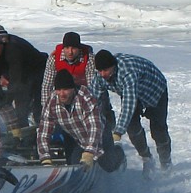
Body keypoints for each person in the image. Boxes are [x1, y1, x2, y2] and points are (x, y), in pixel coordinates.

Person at [91, 50, 171, 178]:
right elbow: (93, 102)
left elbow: (129, 103)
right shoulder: (99, 76)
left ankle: (166, 163)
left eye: (105, 70)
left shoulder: (127, 72)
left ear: (113, 66)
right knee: (132, 128)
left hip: (155, 90)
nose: (102, 74)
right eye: (99, 71)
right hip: (133, 93)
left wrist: (117, 132)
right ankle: (147, 158)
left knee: (158, 130)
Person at [37, 70, 125, 173]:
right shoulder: (51, 101)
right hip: (76, 139)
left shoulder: (85, 97)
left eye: (65, 89)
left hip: (100, 135)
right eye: (58, 90)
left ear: (73, 89)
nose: (62, 94)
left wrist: (89, 153)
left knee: (109, 166)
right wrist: (45, 158)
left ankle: (119, 153)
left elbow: (94, 128)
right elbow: (44, 131)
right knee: (75, 167)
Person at [0, 24, 47, 128]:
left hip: (38, 70)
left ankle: (38, 130)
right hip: (25, 71)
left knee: (29, 103)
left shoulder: (12, 50)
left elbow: (16, 80)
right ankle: (25, 128)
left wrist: (6, 98)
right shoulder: (0, 48)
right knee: (21, 101)